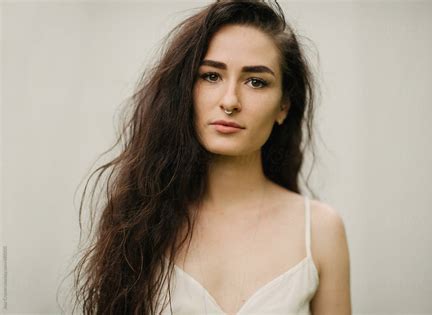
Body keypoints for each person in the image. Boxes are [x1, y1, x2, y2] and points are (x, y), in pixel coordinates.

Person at [67, 1, 351, 314]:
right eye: (211, 76)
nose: (230, 101)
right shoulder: (139, 220)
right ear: (184, 90)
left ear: (283, 105)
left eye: (256, 81)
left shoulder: (320, 230)